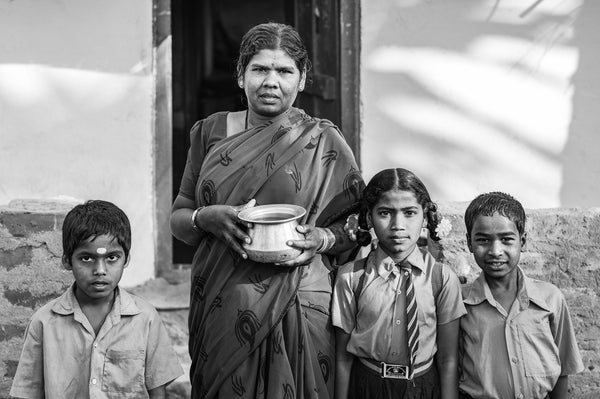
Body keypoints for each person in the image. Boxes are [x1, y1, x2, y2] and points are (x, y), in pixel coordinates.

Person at [169, 22, 364, 399]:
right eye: (259, 69)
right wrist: (204, 218)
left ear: (302, 78)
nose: (271, 81)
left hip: (301, 302)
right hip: (223, 301)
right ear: (241, 75)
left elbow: (359, 224)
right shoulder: (209, 132)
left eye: (284, 71)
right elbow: (181, 217)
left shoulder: (324, 140)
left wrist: (322, 238)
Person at [10, 200, 183, 399]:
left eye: (112, 258)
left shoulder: (146, 319)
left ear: (126, 259)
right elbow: (27, 393)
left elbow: (157, 392)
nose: (100, 271)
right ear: (67, 260)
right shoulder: (43, 322)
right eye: (86, 258)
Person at [332, 168, 466, 399]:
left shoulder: (442, 279)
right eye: (385, 213)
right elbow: (343, 357)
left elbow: (448, 359)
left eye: (409, 213)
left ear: (425, 216)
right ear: (368, 218)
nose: (397, 225)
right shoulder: (350, 277)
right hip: (367, 386)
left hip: (423, 386)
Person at [459, 192, 584, 399]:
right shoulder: (461, 303)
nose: (495, 251)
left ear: (522, 241)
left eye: (506, 240)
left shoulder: (550, 299)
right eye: (483, 240)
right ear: (469, 243)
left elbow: (562, 370)